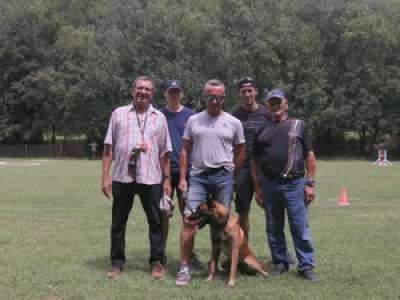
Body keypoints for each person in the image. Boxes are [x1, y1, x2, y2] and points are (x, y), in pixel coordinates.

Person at [175, 79, 245, 286]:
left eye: (218, 97)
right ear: (204, 97)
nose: (214, 100)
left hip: (223, 177)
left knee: (223, 223)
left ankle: (222, 266)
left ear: (224, 98)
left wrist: (233, 175)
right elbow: (185, 150)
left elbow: (241, 151)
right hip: (198, 177)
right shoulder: (194, 120)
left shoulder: (233, 122)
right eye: (210, 96)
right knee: (189, 220)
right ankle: (185, 268)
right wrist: (182, 178)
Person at [101, 75, 172, 280]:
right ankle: (116, 264)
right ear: (132, 91)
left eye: (147, 89)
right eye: (139, 88)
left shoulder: (160, 117)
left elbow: (165, 153)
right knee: (118, 222)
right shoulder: (118, 114)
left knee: (156, 222)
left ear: (152, 93)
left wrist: (167, 179)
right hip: (122, 176)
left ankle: (157, 262)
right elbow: (108, 149)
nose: (143, 92)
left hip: (150, 178)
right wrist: (105, 176)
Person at [251, 88, 318, 282]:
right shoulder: (261, 130)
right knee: (273, 227)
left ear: (285, 103)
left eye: (278, 102)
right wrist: (258, 189)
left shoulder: (298, 125)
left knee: (299, 227)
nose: (275, 106)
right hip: (269, 185)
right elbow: (254, 162)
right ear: (267, 105)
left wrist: (310, 183)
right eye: (271, 102)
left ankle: (306, 266)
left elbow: (310, 156)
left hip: (294, 184)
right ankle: (280, 263)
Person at [159, 79, 203, 268]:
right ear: (165, 94)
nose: (174, 94)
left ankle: (190, 254)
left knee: (189, 215)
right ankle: (159, 254)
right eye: (171, 91)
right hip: (163, 172)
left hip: (188, 171)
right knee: (163, 212)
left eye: (177, 91)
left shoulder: (191, 116)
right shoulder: (158, 115)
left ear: (182, 94)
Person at [230, 77, 269, 241]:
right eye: (243, 91)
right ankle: (243, 249)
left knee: (270, 208)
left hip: (263, 167)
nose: (247, 94)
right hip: (242, 168)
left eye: (250, 90)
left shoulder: (267, 113)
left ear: (256, 91)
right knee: (243, 211)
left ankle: (278, 252)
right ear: (240, 93)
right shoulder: (234, 115)